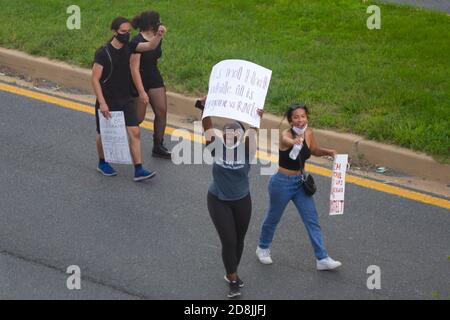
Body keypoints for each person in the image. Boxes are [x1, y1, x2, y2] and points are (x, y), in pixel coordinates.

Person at [256, 103, 342, 270]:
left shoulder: (309, 133)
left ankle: (322, 258)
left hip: (300, 183)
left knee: (312, 220)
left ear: (307, 117)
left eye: (303, 116)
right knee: (273, 217)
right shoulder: (286, 135)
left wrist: (330, 152)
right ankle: (263, 248)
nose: (300, 120)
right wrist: (295, 141)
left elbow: (314, 150)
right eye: (296, 117)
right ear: (290, 120)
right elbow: (285, 141)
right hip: (282, 183)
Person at [197, 97, 263, 298]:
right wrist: (204, 108)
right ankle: (233, 278)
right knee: (229, 241)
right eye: (226, 131)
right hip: (218, 199)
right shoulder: (216, 146)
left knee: (239, 240)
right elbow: (207, 126)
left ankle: (232, 269)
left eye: (235, 132)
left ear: (241, 136)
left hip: (242, 200)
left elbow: (254, 130)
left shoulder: (247, 150)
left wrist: (256, 118)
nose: (230, 134)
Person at [92, 16, 166, 181]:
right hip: (108, 100)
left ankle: (138, 169)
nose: (126, 35)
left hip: (125, 98)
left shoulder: (130, 47)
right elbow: (95, 79)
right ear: (114, 31)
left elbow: (149, 45)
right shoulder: (103, 52)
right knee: (104, 133)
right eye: (123, 32)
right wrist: (102, 103)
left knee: (134, 131)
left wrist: (159, 34)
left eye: (128, 32)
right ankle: (102, 162)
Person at [130, 11, 171, 159]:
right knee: (138, 118)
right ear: (151, 24)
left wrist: (159, 36)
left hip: (154, 78)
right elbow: (134, 68)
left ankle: (158, 146)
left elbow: (156, 56)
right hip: (140, 79)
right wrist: (141, 91)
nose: (161, 23)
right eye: (158, 21)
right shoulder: (136, 40)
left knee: (161, 111)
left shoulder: (157, 38)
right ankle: (121, 138)